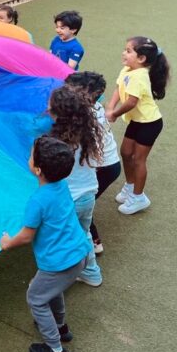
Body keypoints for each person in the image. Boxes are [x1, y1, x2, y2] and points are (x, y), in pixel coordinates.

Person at [0, 136, 90, 352]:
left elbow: (26, 236)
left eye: (31, 156)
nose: (28, 157)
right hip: (79, 253)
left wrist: (8, 243)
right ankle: (60, 327)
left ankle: (55, 348)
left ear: (38, 170)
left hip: (60, 262)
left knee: (35, 298)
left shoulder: (38, 200)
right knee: (51, 291)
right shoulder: (62, 186)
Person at [106, 37, 170, 215]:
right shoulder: (127, 69)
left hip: (150, 123)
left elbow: (132, 102)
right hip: (137, 121)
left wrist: (115, 114)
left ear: (141, 58)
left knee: (138, 160)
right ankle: (130, 185)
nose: (123, 53)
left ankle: (139, 197)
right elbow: (118, 88)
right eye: (125, 49)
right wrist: (110, 107)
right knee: (126, 153)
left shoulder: (140, 75)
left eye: (128, 51)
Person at [48, 85, 103, 287]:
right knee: (83, 233)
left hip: (68, 200)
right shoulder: (86, 132)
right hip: (88, 194)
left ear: (57, 114)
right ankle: (91, 272)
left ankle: (53, 281)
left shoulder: (55, 142)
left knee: (58, 240)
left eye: (49, 106)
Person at [65, 71, 120, 253]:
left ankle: (92, 242)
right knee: (83, 202)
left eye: (69, 90)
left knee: (79, 203)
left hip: (104, 167)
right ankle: (90, 239)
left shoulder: (85, 114)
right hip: (108, 164)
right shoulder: (94, 107)